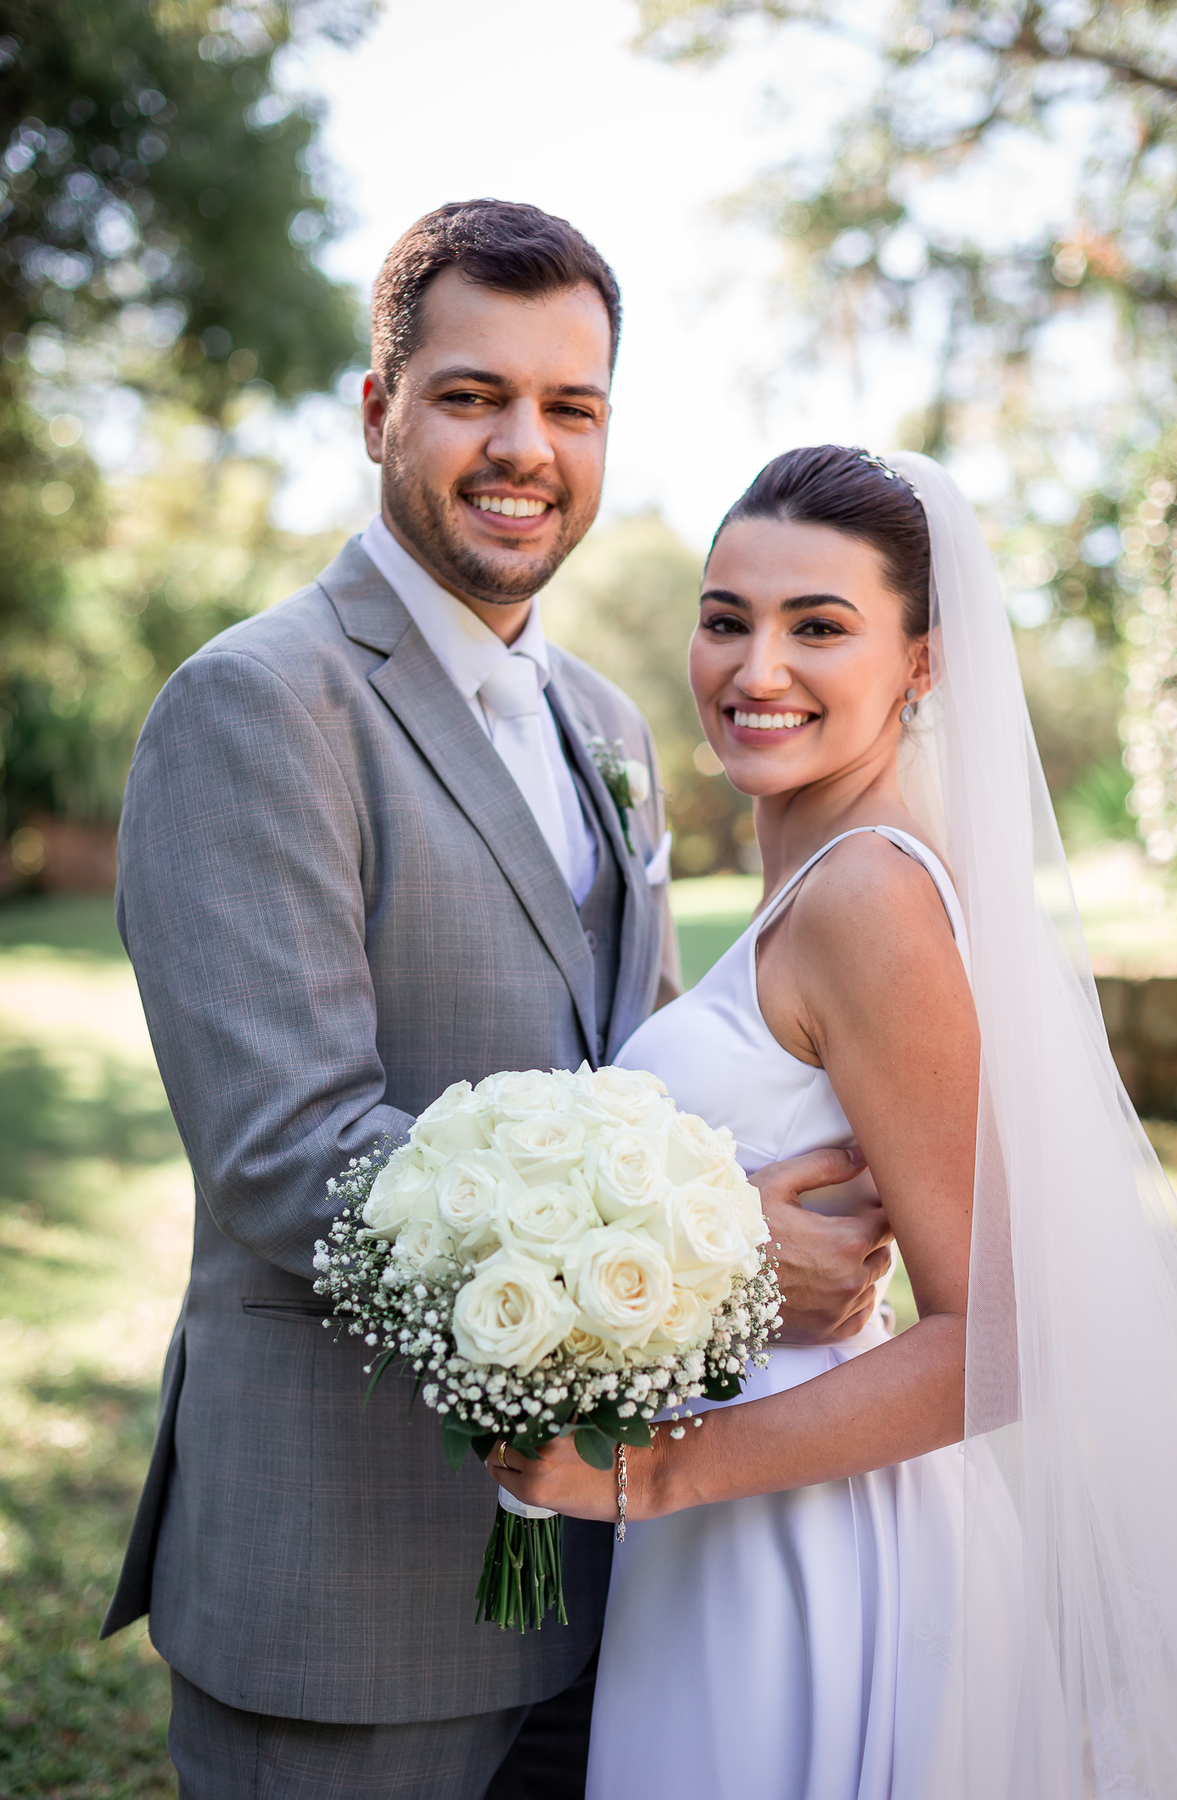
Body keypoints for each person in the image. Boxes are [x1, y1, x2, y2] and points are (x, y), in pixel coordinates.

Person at [100, 205, 891, 1799]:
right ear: (380, 408)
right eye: (473, 395)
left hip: (620, 1575)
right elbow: (290, 1149)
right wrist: (726, 1261)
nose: (525, 445)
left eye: (572, 406)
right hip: (351, 1579)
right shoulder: (258, 706)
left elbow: (647, 1080)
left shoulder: (610, 720)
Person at [493, 446, 1177, 1798]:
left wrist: (656, 1473)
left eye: (820, 626)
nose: (757, 669)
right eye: (726, 618)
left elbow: (996, 1343)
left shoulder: (868, 897)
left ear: (923, 664)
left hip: (802, 1550)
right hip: (735, 1524)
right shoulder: (823, 870)